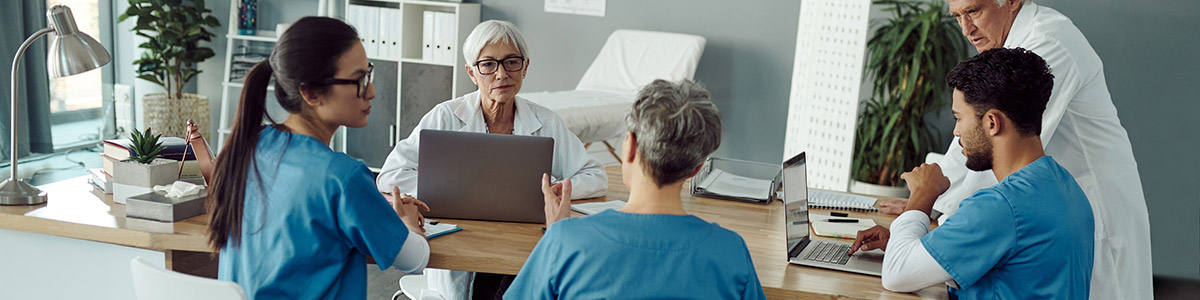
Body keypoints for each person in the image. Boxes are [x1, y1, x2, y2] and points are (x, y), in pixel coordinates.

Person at [876, 1, 1152, 298]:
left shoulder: (1048, 43)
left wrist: (926, 210)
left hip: (1083, 220)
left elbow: (995, 146)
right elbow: (978, 143)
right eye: (957, 16)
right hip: (1050, 208)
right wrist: (928, 210)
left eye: (974, 11)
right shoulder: (1009, 48)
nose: (966, 29)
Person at [375, 20, 607, 299]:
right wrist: (442, 187)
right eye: (488, 64)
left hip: (521, 243)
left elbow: (595, 176)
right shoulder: (446, 116)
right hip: (464, 241)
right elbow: (391, 173)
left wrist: (555, 189)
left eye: (511, 62)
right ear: (471, 73)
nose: (501, 74)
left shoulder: (546, 122)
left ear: (525, 67)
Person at [206, 17, 430, 299]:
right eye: (358, 80)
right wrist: (408, 222)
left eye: (368, 74)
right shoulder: (342, 177)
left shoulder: (250, 147)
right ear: (310, 93)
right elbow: (414, 259)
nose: (371, 91)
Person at [852, 48, 1094, 298]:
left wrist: (923, 194)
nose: (956, 131)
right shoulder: (1065, 187)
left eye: (959, 118)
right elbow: (1011, 257)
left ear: (992, 122)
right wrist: (911, 244)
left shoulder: (1001, 206)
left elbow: (897, 274)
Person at [504, 79, 766, 299]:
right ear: (696, 168)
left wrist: (556, 233)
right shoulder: (730, 251)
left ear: (628, 146)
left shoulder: (566, 242)